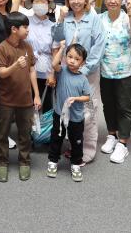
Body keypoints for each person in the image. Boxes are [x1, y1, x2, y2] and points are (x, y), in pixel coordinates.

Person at [52, 0, 104, 163]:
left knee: (88, 110)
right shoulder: (66, 17)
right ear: (68, 0)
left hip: (86, 72)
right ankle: (74, 146)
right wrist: (60, 19)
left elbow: (99, 46)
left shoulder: (93, 18)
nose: (76, 1)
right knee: (69, 107)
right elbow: (57, 38)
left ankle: (87, 150)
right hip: (68, 71)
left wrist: (84, 69)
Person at [0, 12, 41, 182]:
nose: (28, 30)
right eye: (25, 27)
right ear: (14, 29)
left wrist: (36, 94)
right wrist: (15, 65)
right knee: (2, 133)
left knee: (25, 133)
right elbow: (1, 73)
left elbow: (32, 70)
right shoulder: (2, 47)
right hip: (5, 100)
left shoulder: (27, 46)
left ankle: (24, 161)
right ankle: (2, 162)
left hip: (26, 100)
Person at [98, 0, 131, 164]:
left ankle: (122, 143)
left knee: (124, 106)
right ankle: (111, 135)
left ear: (122, 0)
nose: (113, 1)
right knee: (108, 105)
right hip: (104, 70)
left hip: (125, 71)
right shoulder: (99, 19)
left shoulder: (128, 17)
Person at [46, 43, 92, 182]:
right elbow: (54, 63)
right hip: (60, 114)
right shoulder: (62, 71)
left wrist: (77, 98)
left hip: (76, 117)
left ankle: (76, 164)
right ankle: (53, 162)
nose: (72, 60)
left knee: (76, 141)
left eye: (77, 59)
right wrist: (61, 48)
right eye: (70, 56)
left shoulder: (83, 78)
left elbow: (87, 97)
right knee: (56, 137)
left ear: (82, 62)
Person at [28, 0, 57, 112]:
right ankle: (29, 130)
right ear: (32, 3)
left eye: (43, 1)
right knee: (29, 104)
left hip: (46, 69)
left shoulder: (53, 26)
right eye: (36, 1)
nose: (40, 3)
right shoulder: (26, 21)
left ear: (48, 4)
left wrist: (52, 74)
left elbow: (55, 52)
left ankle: (45, 131)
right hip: (27, 69)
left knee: (46, 104)